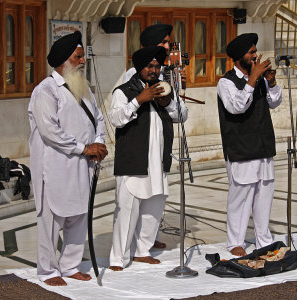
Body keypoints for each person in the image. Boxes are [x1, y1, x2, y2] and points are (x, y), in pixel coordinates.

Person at [28, 31, 108, 286]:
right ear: (64, 61)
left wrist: (101, 143)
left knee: (79, 215)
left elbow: (99, 119)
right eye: (78, 56)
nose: (83, 61)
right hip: (55, 167)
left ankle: (71, 265)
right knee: (52, 220)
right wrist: (85, 148)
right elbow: (50, 131)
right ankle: (49, 271)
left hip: (83, 165)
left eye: (82, 56)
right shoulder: (45, 91)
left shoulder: (83, 89)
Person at [108, 46, 188, 270]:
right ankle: (118, 258)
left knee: (154, 208)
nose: (153, 70)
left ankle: (143, 250)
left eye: (156, 66)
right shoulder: (124, 91)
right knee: (127, 210)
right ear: (139, 68)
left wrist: (168, 102)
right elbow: (115, 118)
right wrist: (138, 100)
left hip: (158, 161)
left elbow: (182, 115)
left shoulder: (164, 90)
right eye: (149, 66)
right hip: (134, 160)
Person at [217, 33, 282, 257]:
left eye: (256, 51)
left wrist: (270, 82)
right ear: (239, 58)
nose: (256, 55)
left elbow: (274, 102)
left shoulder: (260, 78)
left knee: (264, 193)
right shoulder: (225, 82)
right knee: (241, 197)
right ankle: (235, 241)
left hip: (263, 145)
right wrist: (252, 80)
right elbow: (237, 107)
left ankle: (264, 238)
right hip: (241, 148)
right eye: (251, 52)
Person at [124, 23, 185, 249]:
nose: (169, 46)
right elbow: (120, 111)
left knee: (156, 195)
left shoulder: (165, 74)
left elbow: (182, 114)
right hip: (138, 149)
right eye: (165, 42)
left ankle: (146, 239)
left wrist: (167, 101)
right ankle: (131, 243)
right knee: (137, 197)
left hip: (160, 148)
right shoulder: (131, 76)